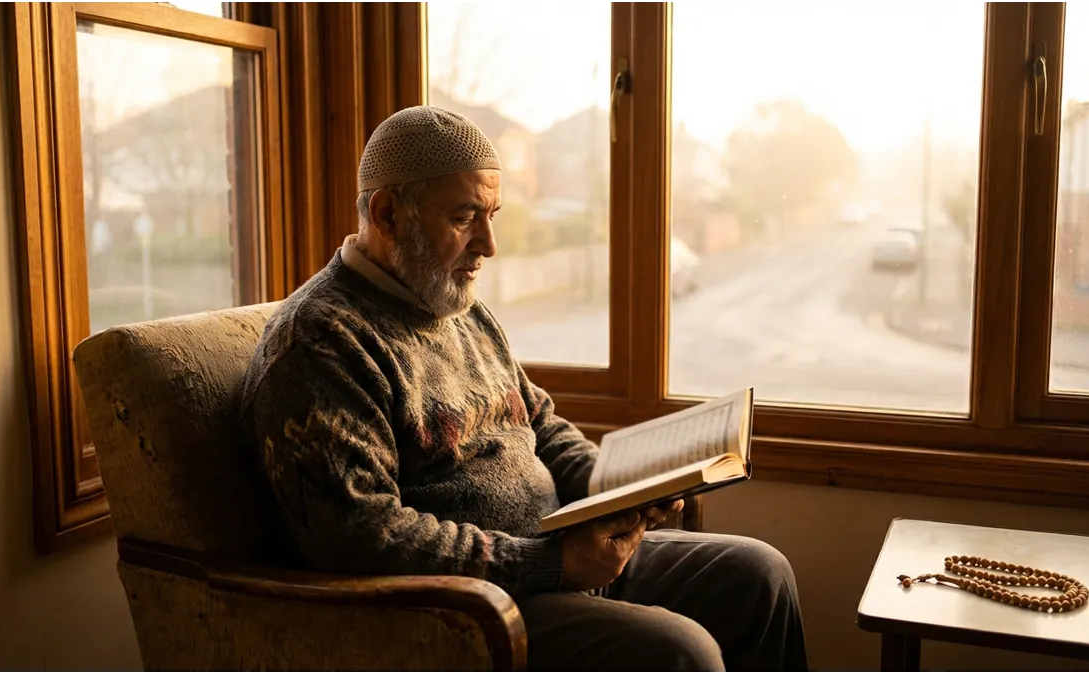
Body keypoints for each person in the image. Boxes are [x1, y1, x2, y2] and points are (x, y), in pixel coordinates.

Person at [239, 105, 809, 672]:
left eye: (492, 215)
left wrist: (618, 488)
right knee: (681, 653)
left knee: (760, 574)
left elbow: (538, 422)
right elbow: (360, 535)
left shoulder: (458, 308)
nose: (489, 244)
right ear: (388, 215)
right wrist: (550, 563)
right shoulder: (319, 343)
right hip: (473, 607)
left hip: (561, 554)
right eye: (465, 217)